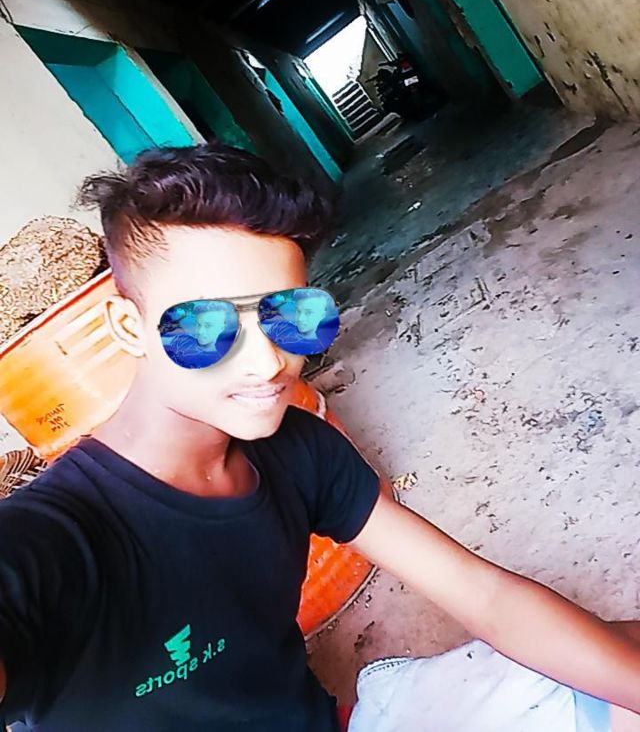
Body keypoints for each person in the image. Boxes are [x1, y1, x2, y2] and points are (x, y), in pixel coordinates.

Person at [0, 142, 640, 732]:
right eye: (204, 325)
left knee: (615, 660)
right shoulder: (50, 542)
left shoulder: (298, 448)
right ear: (127, 327)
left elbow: (487, 596)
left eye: (291, 315)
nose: (266, 362)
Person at [263, 288, 338, 355]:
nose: (300, 318)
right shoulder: (281, 327)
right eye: (298, 311)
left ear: (323, 315)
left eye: (308, 313)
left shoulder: (316, 349)